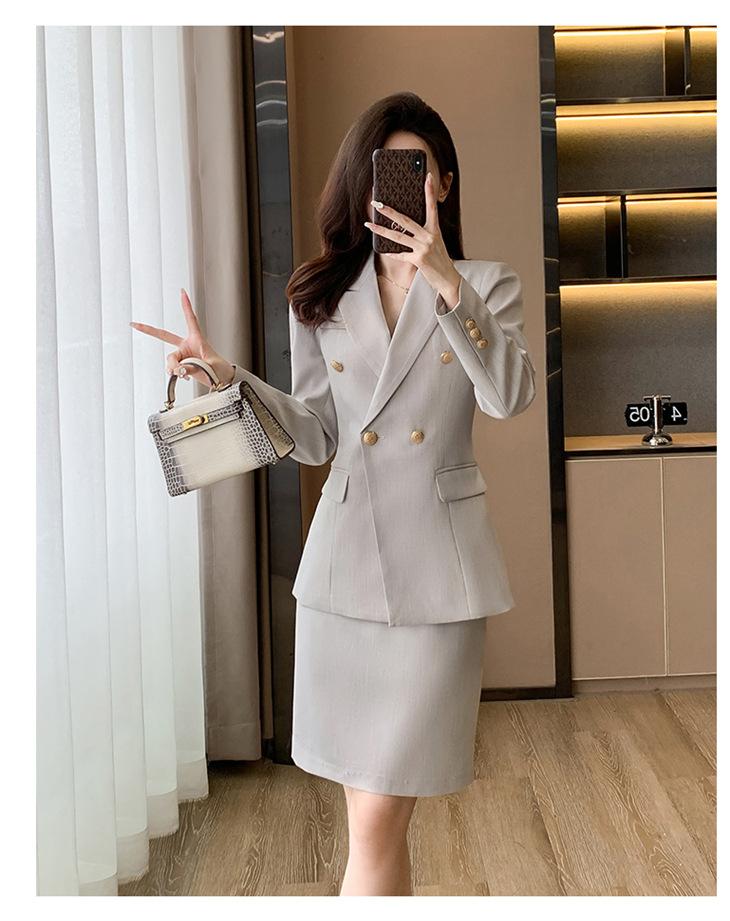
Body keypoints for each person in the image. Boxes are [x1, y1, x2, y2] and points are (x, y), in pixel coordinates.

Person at [131, 91, 536, 896]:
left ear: (443, 184)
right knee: (371, 824)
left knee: (378, 820)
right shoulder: (322, 298)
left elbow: (509, 396)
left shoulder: (485, 286)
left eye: (417, 168)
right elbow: (317, 434)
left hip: (437, 585)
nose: (401, 184)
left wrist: (445, 280)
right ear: (362, 184)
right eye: (386, 170)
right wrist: (227, 377)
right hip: (344, 580)